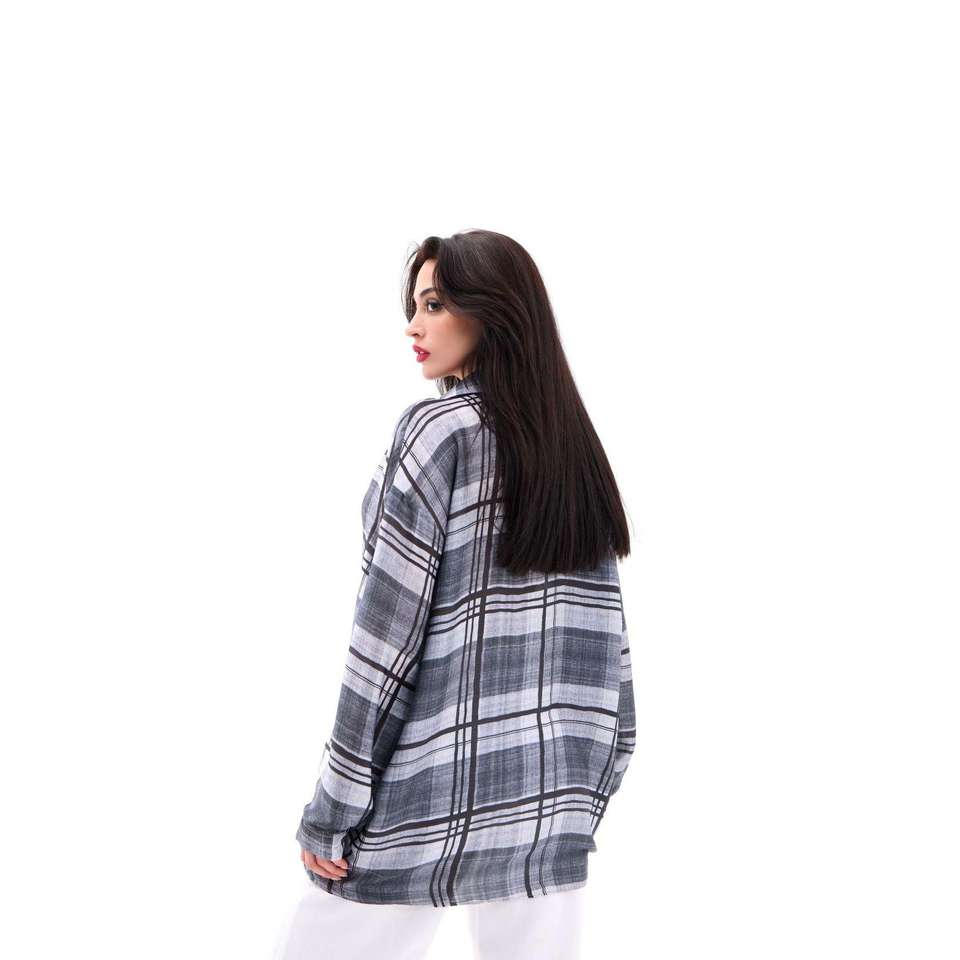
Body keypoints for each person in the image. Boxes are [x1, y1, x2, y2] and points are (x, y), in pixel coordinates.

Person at [275, 229, 636, 958]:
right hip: (551, 805)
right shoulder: (570, 446)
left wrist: (334, 807)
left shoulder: (439, 433)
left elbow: (384, 646)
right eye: (414, 306)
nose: (414, 326)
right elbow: (607, 653)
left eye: (435, 305)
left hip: (424, 793)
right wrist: (589, 787)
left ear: (493, 310)